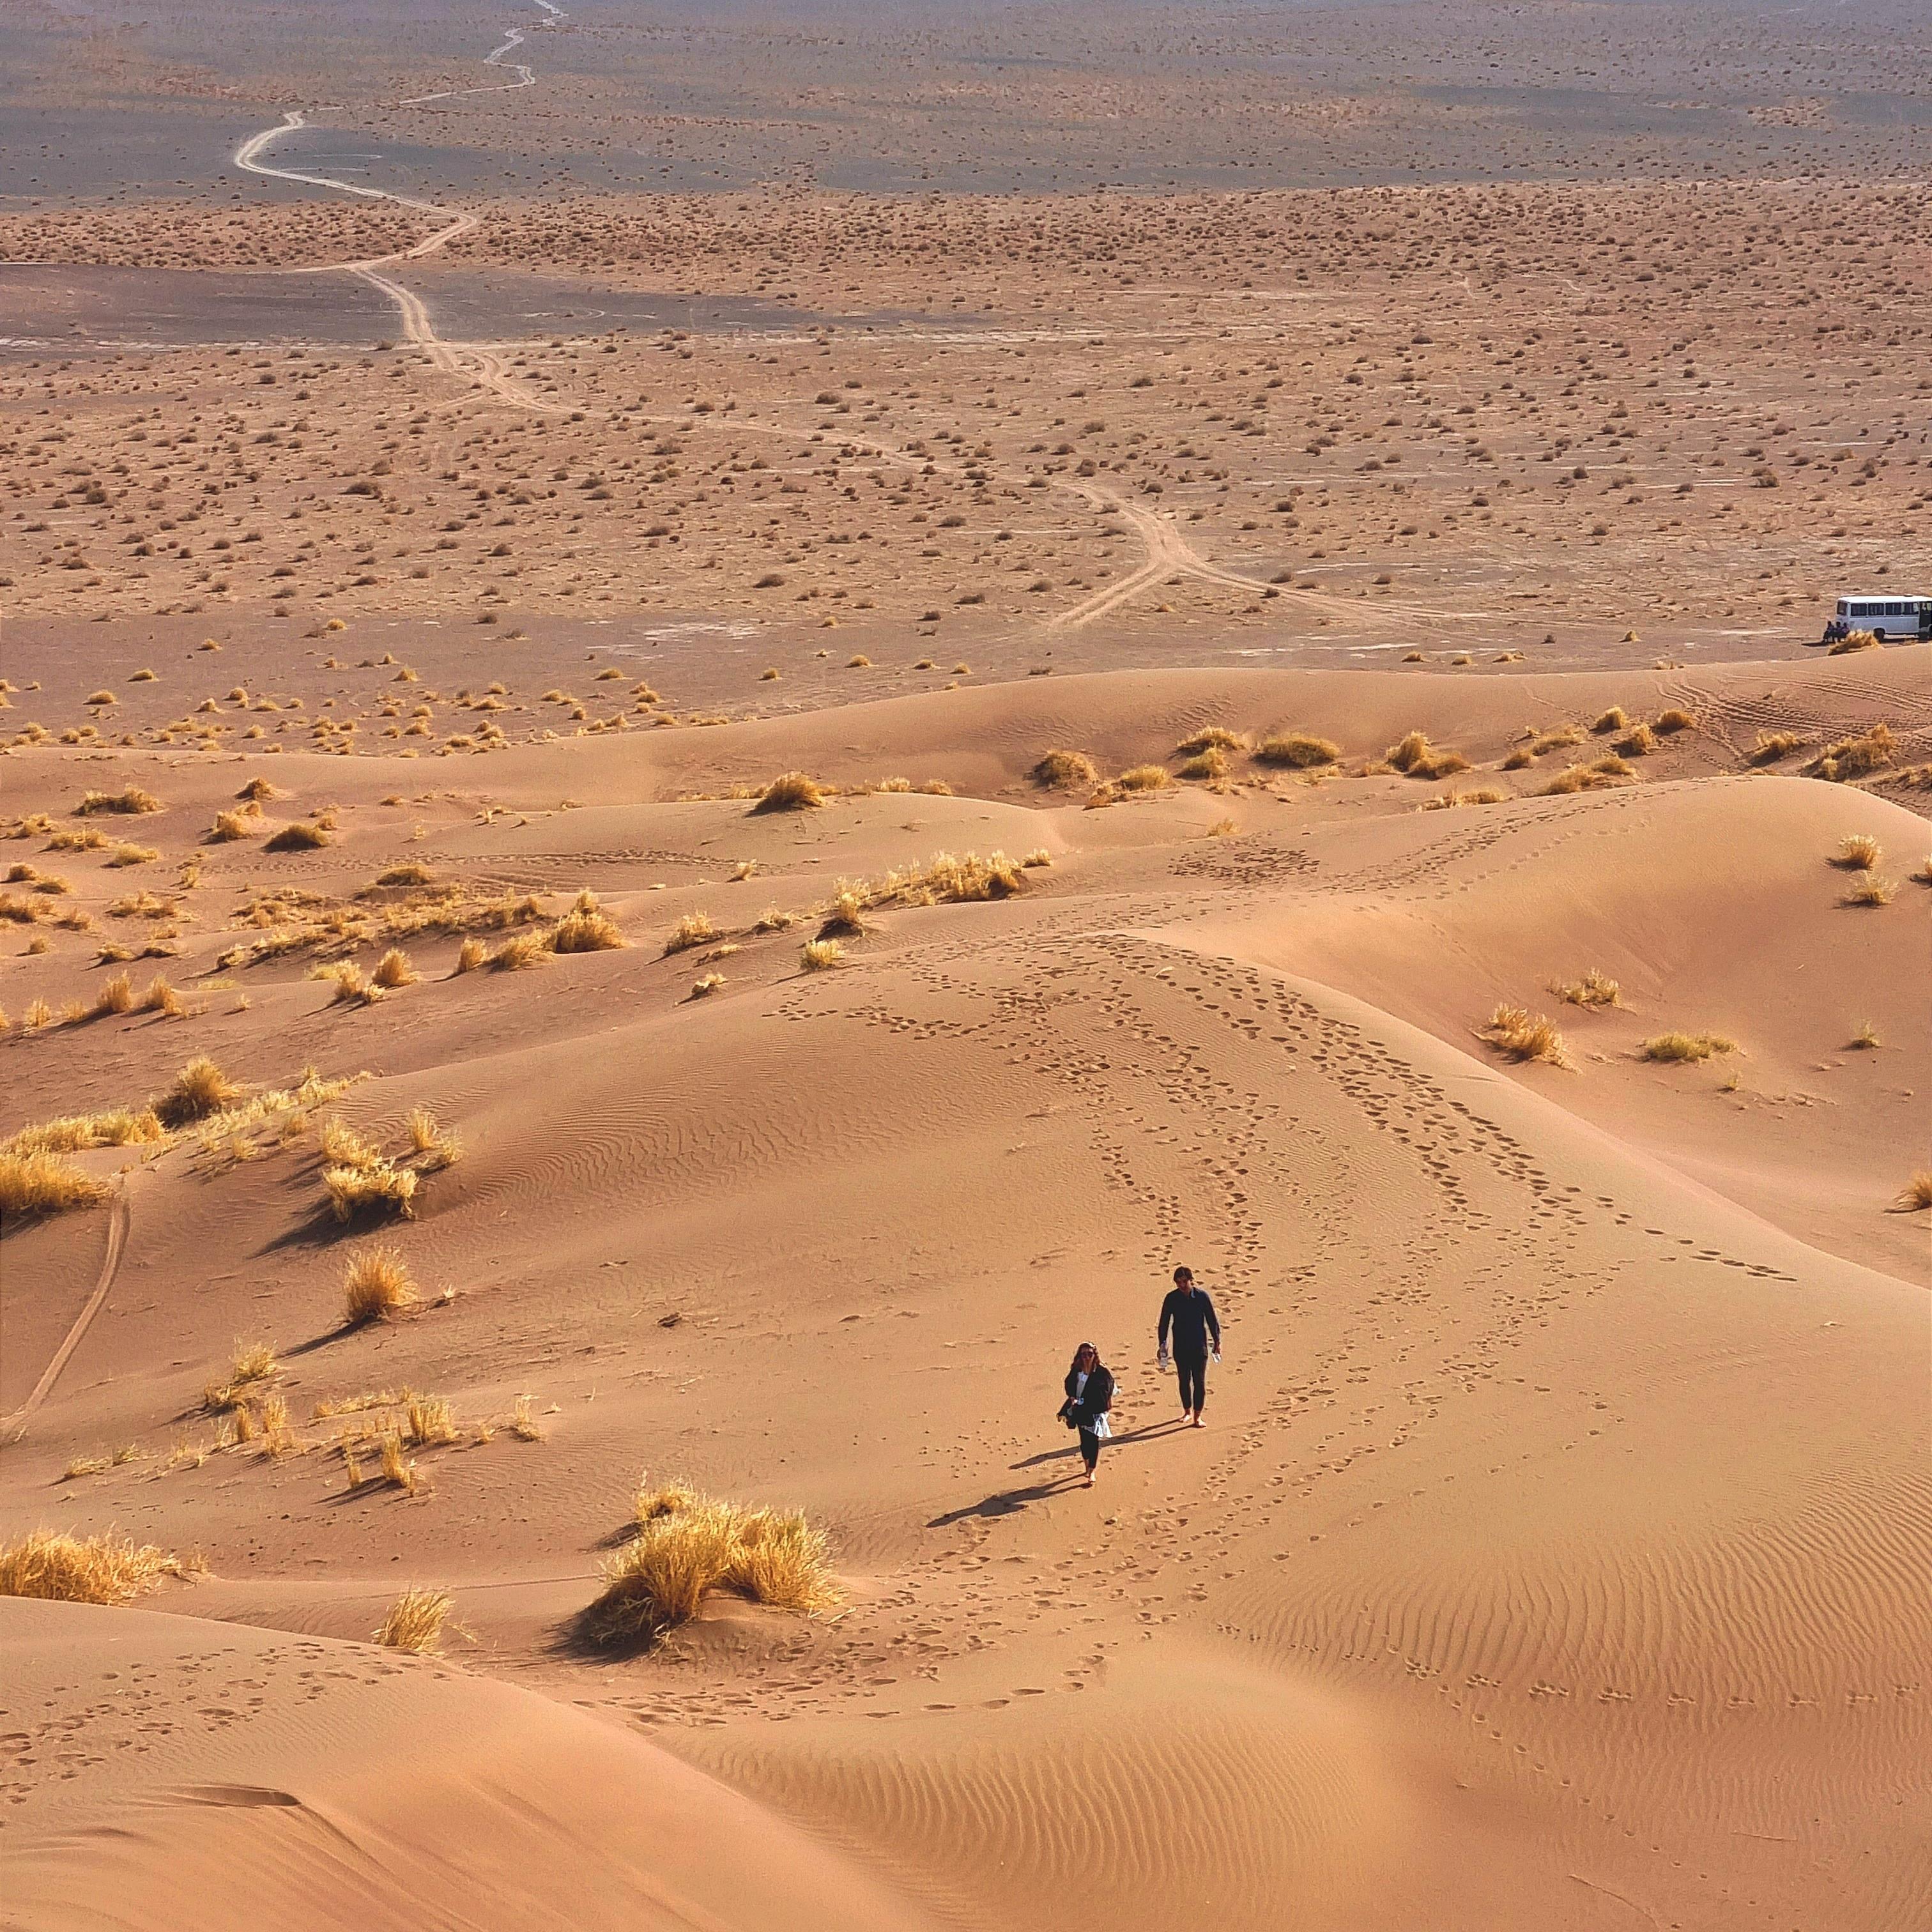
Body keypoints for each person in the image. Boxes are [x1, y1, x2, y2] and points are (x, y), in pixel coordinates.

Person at [1156, 1265, 1220, 1427]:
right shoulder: (1171, 1298)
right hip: (1181, 1347)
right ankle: (1187, 1412)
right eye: (1178, 1282)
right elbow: (1164, 1322)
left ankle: (1197, 1416)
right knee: (1184, 1380)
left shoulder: (1201, 1297)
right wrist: (1162, 1344)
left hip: (1199, 1346)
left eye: (1184, 1282)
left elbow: (1212, 1320)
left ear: (1191, 1280)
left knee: (1199, 1382)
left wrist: (1217, 1342)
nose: (1181, 1285)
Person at [1059, 1342, 1114, 1487]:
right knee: (1084, 1441)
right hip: (1080, 1410)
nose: (1086, 1357)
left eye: (1089, 1354)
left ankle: (1092, 1471)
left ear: (1094, 1355)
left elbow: (1107, 1389)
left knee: (1094, 1441)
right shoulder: (1077, 1371)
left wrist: (1094, 1401)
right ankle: (1086, 1466)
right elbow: (1069, 1384)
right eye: (1083, 1354)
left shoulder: (1102, 1373)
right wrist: (1072, 1398)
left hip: (1096, 1412)